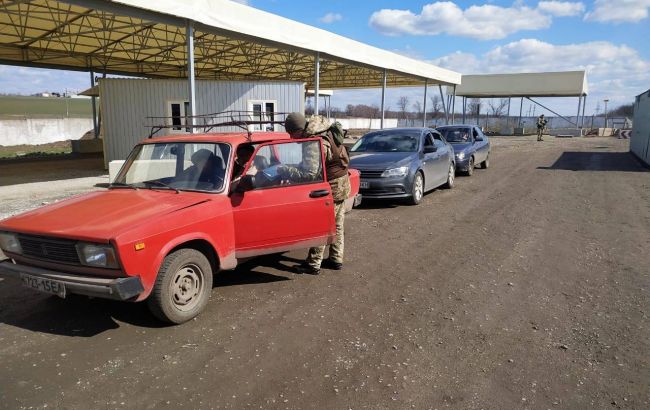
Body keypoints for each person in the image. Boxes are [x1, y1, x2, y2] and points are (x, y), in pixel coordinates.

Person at [283, 113, 351, 275]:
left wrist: (284, 170)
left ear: (299, 129)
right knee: (337, 224)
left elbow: (310, 173)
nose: (292, 138)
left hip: (332, 188)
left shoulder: (313, 142)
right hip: (342, 183)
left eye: (292, 134)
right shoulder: (325, 130)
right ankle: (336, 259)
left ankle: (313, 264)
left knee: (322, 226)